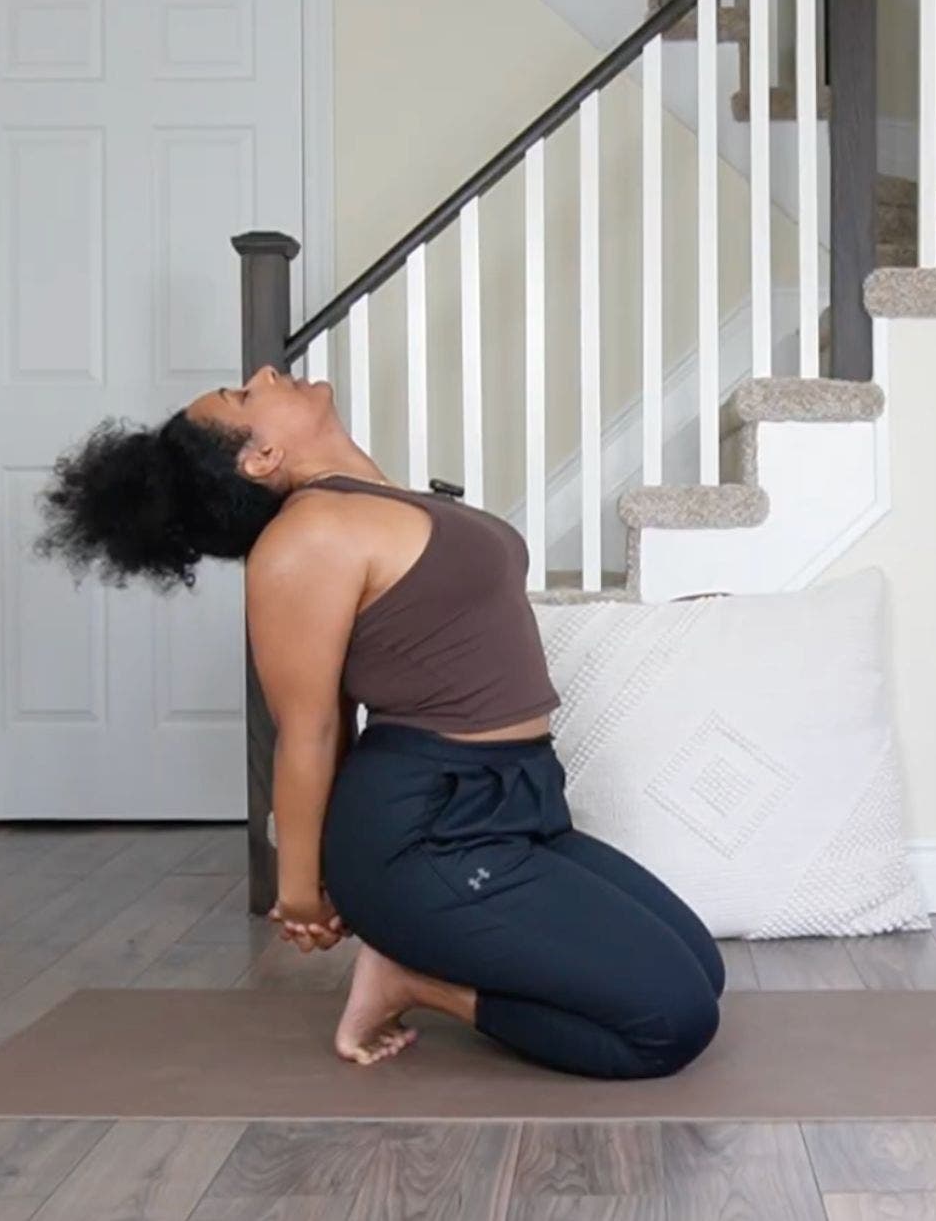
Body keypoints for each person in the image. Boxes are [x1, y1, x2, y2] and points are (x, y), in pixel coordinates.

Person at [36, 364, 722, 1079]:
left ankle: (415, 962)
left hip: (521, 801)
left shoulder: (375, 502)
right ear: (260, 457)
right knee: (672, 1024)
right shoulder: (306, 537)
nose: (266, 372)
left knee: (703, 969)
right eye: (245, 395)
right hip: (425, 832)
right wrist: (298, 888)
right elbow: (311, 727)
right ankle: (415, 984)